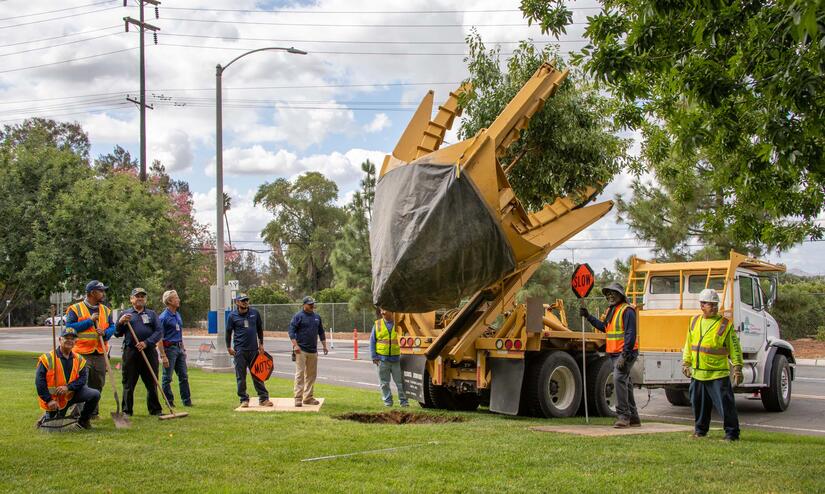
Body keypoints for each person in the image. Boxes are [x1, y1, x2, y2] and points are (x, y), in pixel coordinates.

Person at [682, 288, 744, 441]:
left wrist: (737, 368)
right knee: (699, 405)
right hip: (698, 373)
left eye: (716, 305)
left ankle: (732, 434)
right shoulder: (694, 321)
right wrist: (686, 363)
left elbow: (734, 347)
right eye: (711, 305)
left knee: (725, 406)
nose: (715, 308)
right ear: (702, 305)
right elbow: (689, 344)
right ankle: (700, 431)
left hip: (718, 374)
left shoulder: (724, 324)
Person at [580, 282, 641, 428]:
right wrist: (588, 316)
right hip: (615, 353)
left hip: (626, 353)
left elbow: (630, 334)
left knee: (619, 378)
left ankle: (623, 417)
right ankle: (633, 418)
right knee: (625, 383)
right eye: (608, 293)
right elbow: (604, 328)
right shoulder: (611, 310)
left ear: (620, 295)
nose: (610, 296)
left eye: (613, 293)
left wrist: (624, 355)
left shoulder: (627, 311)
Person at [64, 280, 115, 419]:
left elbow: (112, 327)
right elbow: (69, 329)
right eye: (101, 291)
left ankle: (92, 412)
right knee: (81, 384)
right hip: (81, 353)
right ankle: (78, 414)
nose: (103, 293)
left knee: (98, 383)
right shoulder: (75, 309)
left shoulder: (106, 309)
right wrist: (90, 321)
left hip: (99, 352)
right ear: (92, 293)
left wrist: (105, 333)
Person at [35, 327, 101, 430]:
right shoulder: (47, 359)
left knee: (95, 394)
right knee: (52, 430)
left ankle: (83, 421)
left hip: (71, 394)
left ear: (76, 341)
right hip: (54, 400)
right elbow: (40, 382)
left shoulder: (79, 359)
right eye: (67, 338)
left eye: (72, 338)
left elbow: (83, 379)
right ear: (60, 339)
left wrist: (68, 387)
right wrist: (49, 401)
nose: (69, 341)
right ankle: (45, 417)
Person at [114, 287, 163, 416]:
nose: (140, 298)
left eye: (142, 296)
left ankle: (155, 410)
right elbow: (117, 333)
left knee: (152, 382)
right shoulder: (125, 314)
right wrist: (120, 322)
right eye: (137, 296)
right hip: (131, 353)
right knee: (128, 383)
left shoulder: (152, 314)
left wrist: (146, 343)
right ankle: (126, 411)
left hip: (149, 352)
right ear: (131, 299)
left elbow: (159, 332)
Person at [226, 293, 272, 407]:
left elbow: (260, 330)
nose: (245, 302)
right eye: (242, 300)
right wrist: (228, 347)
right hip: (240, 351)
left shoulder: (254, 313)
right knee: (241, 377)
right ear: (237, 302)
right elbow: (228, 332)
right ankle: (244, 399)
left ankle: (263, 399)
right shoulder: (232, 316)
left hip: (254, 350)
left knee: (258, 375)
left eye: (246, 300)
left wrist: (261, 344)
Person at [288, 296, 328, 407]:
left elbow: (321, 332)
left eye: (313, 304)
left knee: (311, 375)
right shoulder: (298, 316)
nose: (312, 305)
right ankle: (298, 398)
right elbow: (291, 331)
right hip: (301, 350)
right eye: (310, 304)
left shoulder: (317, 317)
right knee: (300, 374)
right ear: (304, 305)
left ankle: (308, 397)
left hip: (313, 350)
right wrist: (295, 346)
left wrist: (324, 346)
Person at [158, 290, 192, 407]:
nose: (179, 299)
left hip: (179, 349)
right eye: (176, 298)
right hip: (169, 350)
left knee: (184, 376)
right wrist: (163, 355)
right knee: (167, 378)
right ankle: (169, 402)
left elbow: (179, 332)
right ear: (169, 301)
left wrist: (183, 348)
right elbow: (159, 338)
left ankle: (187, 401)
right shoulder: (163, 318)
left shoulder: (177, 314)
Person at [370, 308, 408, 407]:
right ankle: (388, 402)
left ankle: (404, 402)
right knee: (384, 384)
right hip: (382, 360)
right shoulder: (377, 324)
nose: (382, 312)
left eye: (385, 310)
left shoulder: (399, 324)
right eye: (381, 310)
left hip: (396, 360)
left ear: (392, 312)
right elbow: (372, 341)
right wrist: (374, 356)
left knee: (400, 383)